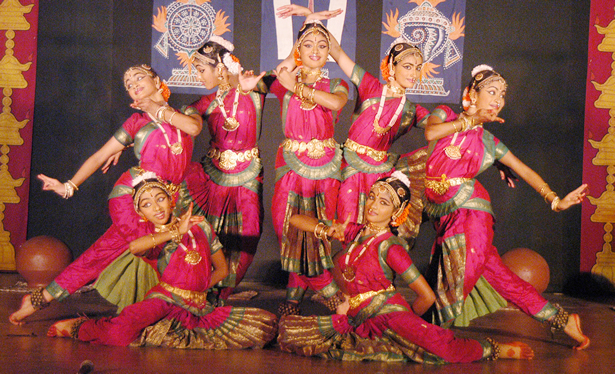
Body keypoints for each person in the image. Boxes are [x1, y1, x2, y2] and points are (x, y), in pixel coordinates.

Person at [9, 64, 203, 324]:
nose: (133, 84)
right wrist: (68, 186)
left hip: (168, 197)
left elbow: (192, 128)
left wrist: (154, 109)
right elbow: (100, 155)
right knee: (154, 249)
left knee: (102, 254)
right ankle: (166, 308)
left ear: (158, 81)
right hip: (133, 197)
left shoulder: (187, 112)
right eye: (128, 85)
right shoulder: (136, 122)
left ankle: (40, 299)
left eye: (138, 78)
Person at [278, 173, 534, 363]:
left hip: (390, 315)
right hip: (356, 316)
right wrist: (326, 228)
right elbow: (296, 220)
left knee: (442, 350)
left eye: (384, 203)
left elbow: (427, 296)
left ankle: (496, 349)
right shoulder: (354, 232)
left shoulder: (392, 248)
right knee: (292, 335)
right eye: (373, 198)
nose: (374, 206)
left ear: (396, 213)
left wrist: (408, 319)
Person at [422, 64, 590, 350]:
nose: (498, 99)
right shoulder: (445, 114)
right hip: (443, 214)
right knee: (503, 279)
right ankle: (562, 321)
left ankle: (426, 336)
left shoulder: (490, 143)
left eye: (502, 94)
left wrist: (556, 201)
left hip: (471, 216)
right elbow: (430, 133)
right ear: (470, 95)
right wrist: (469, 122)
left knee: (455, 282)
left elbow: (525, 171)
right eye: (491, 92)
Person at [46, 175, 278, 349]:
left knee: (264, 326)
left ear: (170, 199)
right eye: (147, 204)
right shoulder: (151, 239)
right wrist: (176, 231)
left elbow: (223, 269)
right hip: (164, 299)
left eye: (160, 199)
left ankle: (158, 330)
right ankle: (78, 327)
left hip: (198, 304)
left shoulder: (200, 225)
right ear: (140, 213)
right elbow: (134, 247)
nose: (156, 208)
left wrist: (196, 292)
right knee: (120, 335)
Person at [277, 4, 429, 241]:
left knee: (376, 230)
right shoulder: (369, 86)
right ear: (391, 66)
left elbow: (436, 128)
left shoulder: (412, 110)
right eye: (407, 67)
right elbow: (335, 52)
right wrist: (312, 21)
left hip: (380, 174)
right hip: (350, 166)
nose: (413, 73)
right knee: (346, 227)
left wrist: (468, 121)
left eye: (417, 68)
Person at [264, 19, 349, 315]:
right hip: (290, 163)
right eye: (309, 45)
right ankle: (326, 290)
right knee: (288, 228)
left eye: (322, 45)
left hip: (326, 167)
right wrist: (296, 48)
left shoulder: (336, 85)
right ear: (299, 49)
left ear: (329, 52)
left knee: (318, 232)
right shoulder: (282, 83)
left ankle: (295, 293)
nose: (316, 50)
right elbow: (280, 70)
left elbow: (335, 104)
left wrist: (298, 87)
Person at [180, 37, 267, 301]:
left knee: (247, 236)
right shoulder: (208, 102)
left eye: (201, 69)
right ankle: (201, 289)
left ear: (220, 68)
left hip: (248, 174)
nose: (198, 75)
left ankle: (222, 293)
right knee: (212, 235)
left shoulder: (256, 89)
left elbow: (283, 73)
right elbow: (185, 116)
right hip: (213, 176)